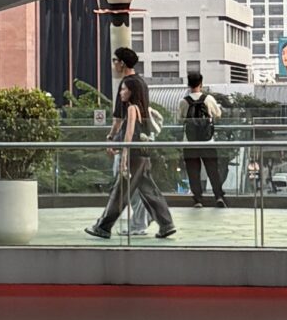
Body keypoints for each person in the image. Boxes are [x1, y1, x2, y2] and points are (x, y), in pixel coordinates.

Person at [88, 45, 175, 240]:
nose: (113, 64)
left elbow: (119, 120)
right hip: (144, 142)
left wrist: (112, 139)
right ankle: (166, 224)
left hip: (133, 145)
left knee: (121, 189)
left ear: (122, 63)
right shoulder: (141, 83)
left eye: (115, 61)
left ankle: (103, 227)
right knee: (148, 188)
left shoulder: (127, 84)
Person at [177, 68, 227, 207]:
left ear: (188, 84)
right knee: (213, 170)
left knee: (193, 172)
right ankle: (218, 196)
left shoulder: (183, 102)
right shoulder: (208, 99)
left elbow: (180, 119)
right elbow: (218, 114)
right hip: (207, 141)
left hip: (189, 142)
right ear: (201, 84)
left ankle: (198, 199)